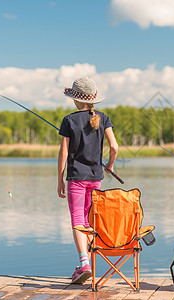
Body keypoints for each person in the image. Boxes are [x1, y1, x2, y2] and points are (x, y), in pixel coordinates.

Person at [57, 77, 119, 284]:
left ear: (76, 99)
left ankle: (84, 264)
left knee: (77, 219)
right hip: (95, 178)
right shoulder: (103, 118)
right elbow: (115, 147)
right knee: (88, 220)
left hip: (76, 177)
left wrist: (59, 179)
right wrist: (109, 166)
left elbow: (63, 153)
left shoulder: (69, 120)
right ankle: (87, 264)